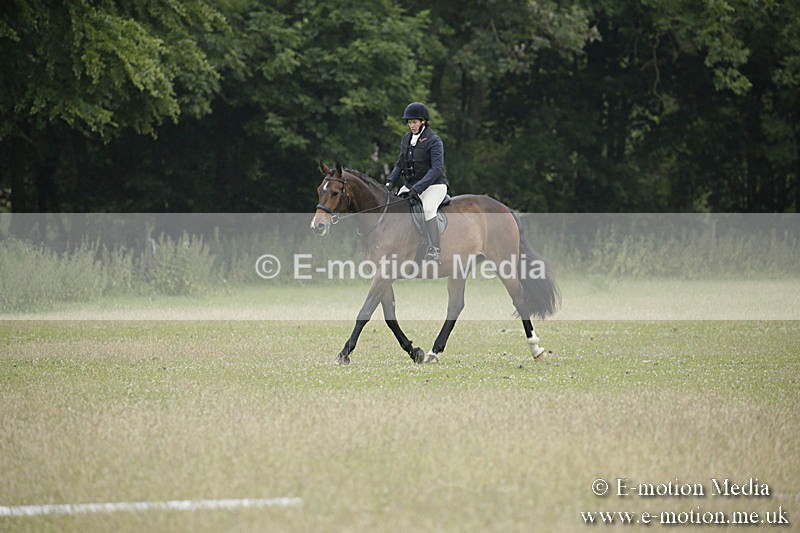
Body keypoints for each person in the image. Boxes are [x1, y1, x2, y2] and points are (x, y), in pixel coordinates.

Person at [385, 102, 448, 263]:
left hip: (434, 185)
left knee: (427, 209)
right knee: (394, 208)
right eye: (409, 122)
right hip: (412, 185)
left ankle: (435, 250)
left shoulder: (434, 140)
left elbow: (437, 169)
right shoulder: (407, 139)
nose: (411, 125)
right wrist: (390, 182)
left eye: (414, 122)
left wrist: (419, 188)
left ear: (423, 122)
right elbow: (400, 163)